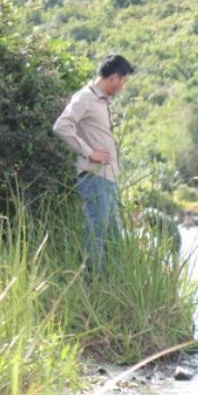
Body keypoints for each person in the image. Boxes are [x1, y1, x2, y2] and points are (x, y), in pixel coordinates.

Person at [52, 54, 135, 270]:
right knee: (97, 236)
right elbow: (61, 126)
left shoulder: (102, 101)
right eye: (124, 82)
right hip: (94, 178)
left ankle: (114, 289)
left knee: (115, 239)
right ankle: (94, 284)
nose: (123, 87)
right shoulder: (84, 98)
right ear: (114, 78)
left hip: (109, 180)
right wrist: (89, 153)